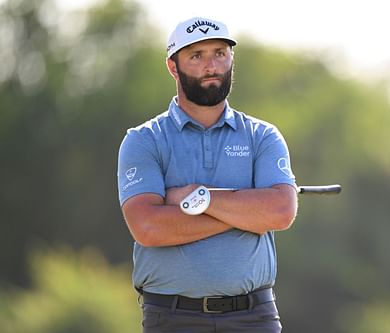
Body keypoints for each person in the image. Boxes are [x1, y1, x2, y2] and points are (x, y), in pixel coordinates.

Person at [117, 16, 298, 333]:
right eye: (196, 56)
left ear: (231, 59)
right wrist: (246, 212)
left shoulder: (262, 136)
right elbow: (147, 228)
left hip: (254, 316)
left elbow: (281, 212)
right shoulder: (144, 140)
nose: (211, 65)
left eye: (219, 53)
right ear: (174, 67)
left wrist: (197, 197)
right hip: (172, 317)